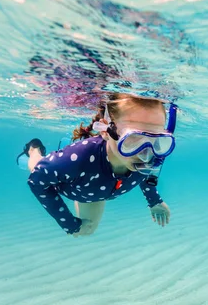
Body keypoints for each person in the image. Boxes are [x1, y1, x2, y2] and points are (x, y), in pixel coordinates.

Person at [18, 88, 177, 237]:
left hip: (93, 191)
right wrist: (68, 224)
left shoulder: (151, 155)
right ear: (105, 131)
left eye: (156, 139)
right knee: (37, 167)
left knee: (88, 231)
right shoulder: (78, 158)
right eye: (133, 139)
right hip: (72, 183)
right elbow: (37, 180)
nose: (145, 154)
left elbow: (146, 174)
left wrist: (154, 201)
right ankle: (34, 150)